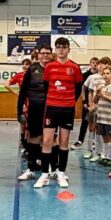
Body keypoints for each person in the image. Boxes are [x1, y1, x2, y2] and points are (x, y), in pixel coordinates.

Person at [33, 37, 82, 189]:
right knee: (47, 141)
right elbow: (46, 86)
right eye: (58, 47)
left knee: (64, 142)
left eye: (64, 47)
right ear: (55, 49)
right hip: (51, 108)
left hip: (67, 108)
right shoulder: (49, 67)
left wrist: (69, 101)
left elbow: (78, 88)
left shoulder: (74, 67)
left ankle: (61, 174)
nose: (61, 49)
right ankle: (44, 175)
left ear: (68, 49)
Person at [17, 45, 50, 182]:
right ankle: (30, 169)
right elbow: (23, 91)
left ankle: (51, 169)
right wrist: (19, 110)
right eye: (43, 53)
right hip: (35, 109)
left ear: (51, 55)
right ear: (39, 55)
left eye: (48, 53)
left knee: (50, 139)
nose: (45, 55)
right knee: (34, 138)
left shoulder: (55, 68)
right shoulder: (32, 69)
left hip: (51, 109)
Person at [92, 65, 111, 170]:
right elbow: (94, 101)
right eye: (104, 74)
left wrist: (104, 96)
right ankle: (106, 156)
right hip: (101, 115)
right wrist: (97, 95)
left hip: (110, 115)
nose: (105, 75)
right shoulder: (101, 87)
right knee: (104, 137)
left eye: (108, 73)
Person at [72, 57, 100, 150]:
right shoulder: (85, 75)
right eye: (93, 62)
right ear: (90, 64)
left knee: (96, 123)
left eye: (96, 63)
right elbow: (82, 88)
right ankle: (80, 140)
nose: (95, 64)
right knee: (84, 122)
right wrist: (84, 101)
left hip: (97, 103)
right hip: (87, 102)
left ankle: (94, 142)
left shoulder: (100, 75)